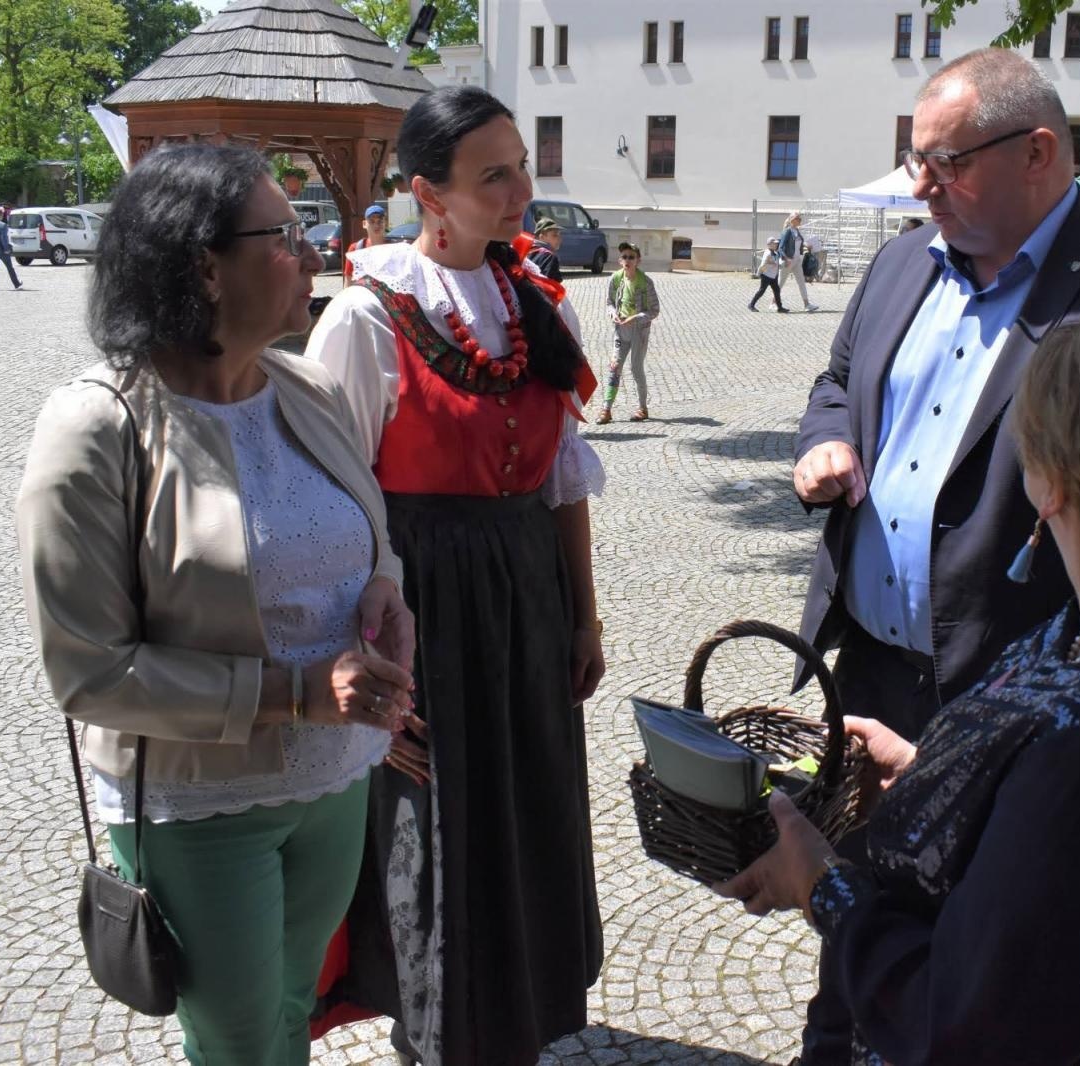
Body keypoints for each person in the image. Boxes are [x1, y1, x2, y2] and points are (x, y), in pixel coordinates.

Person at [722, 291, 1080, 1066]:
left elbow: (967, 1030)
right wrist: (930, 771)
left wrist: (820, 881)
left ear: (1056, 485)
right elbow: (1062, 875)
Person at [16, 143, 417, 1064]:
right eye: (284, 234)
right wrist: (298, 694)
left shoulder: (306, 388)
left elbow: (368, 528)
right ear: (203, 264)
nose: (316, 249)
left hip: (333, 783)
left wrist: (386, 588)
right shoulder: (97, 426)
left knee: (289, 1013)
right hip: (200, 805)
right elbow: (89, 672)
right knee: (237, 1043)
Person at [302, 85, 605, 1066]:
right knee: (433, 811)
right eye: (494, 174)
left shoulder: (537, 301)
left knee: (524, 800)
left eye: (521, 164)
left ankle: (517, 1014)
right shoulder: (364, 319)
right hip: (420, 603)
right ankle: (434, 1027)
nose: (522, 189)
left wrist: (584, 619)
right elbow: (326, 507)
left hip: (526, 601)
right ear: (428, 192)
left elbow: (564, 482)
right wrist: (359, 666)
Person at [792, 45, 1080, 745]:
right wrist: (825, 440)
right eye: (915, 160)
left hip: (1019, 693)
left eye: (946, 164)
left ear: (1037, 153)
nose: (922, 187)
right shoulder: (900, 262)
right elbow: (837, 382)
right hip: (867, 666)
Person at [597, 240, 661, 423]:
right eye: (624, 257)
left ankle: (642, 408)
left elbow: (654, 310)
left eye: (631, 257)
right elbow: (609, 302)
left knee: (636, 369)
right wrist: (613, 314)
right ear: (619, 261)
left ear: (638, 260)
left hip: (638, 332)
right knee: (614, 367)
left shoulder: (645, 282)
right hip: (620, 330)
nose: (627, 260)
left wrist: (635, 318)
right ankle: (606, 409)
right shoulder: (616, 278)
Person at [779, 210, 820, 311]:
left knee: (801, 282)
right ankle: (773, 302)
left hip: (797, 261)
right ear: (793, 220)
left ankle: (806, 304)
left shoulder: (796, 231)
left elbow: (798, 242)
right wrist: (786, 259)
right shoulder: (787, 231)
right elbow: (780, 247)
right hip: (788, 261)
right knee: (780, 283)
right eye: (799, 218)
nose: (800, 220)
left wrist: (806, 244)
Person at [342, 204, 390, 284]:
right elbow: (348, 281)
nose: (376, 225)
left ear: (386, 223)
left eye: (380, 221)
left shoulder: (393, 248)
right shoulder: (355, 249)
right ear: (364, 224)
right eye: (372, 221)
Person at [749, 236, 787, 312]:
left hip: (773, 275)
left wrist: (781, 264)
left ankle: (780, 307)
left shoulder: (775, 252)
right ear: (769, 244)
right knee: (762, 291)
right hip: (766, 275)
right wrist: (759, 273)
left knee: (777, 291)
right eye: (774, 244)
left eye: (776, 244)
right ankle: (751, 305)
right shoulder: (768, 253)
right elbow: (763, 264)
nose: (776, 245)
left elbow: (777, 262)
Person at [526, 216, 564, 280]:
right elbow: (549, 283)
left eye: (559, 235)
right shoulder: (549, 257)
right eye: (555, 235)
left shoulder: (525, 250)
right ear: (542, 237)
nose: (559, 239)